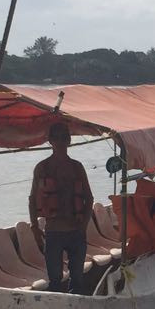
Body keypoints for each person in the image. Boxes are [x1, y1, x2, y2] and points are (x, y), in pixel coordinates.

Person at [29, 122, 94, 293]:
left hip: (76, 231)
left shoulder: (77, 167)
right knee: (55, 280)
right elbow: (32, 199)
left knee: (78, 280)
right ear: (50, 140)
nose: (60, 141)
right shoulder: (42, 168)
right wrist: (34, 227)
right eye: (56, 137)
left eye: (64, 137)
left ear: (69, 140)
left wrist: (83, 226)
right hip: (53, 232)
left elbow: (89, 198)